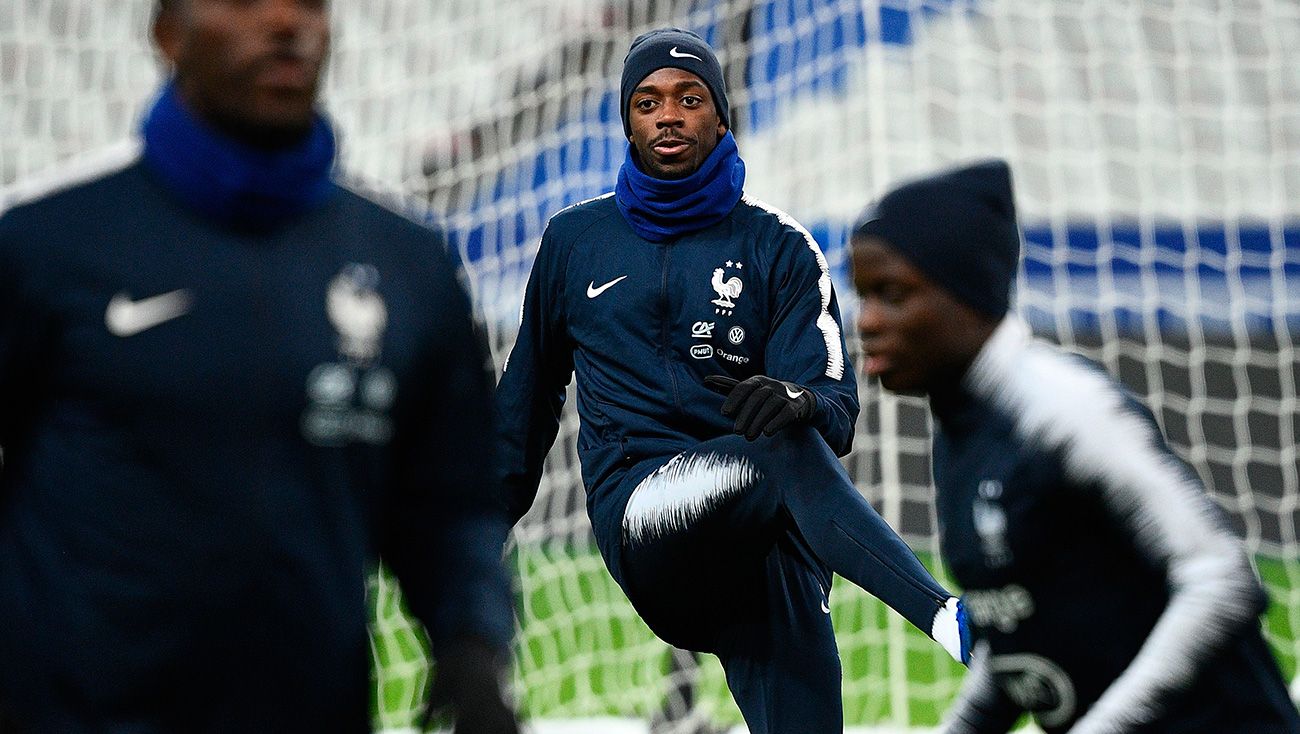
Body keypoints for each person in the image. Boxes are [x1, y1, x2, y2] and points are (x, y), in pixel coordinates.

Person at [0, 1, 517, 732]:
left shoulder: (406, 265)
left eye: (309, 2)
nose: (286, 22)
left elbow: (450, 503)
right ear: (166, 33)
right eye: (244, 0)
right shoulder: (45, 249)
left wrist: (471, 642)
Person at [496, 27, 969, 734]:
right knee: (777, 452)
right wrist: (461, 551)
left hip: (762, 545)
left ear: (721, 115)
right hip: (648, 519)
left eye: (689, 98)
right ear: (628, 119)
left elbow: (834, 408)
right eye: (648, 101)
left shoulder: (779, 246)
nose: (668, 116)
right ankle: (949, 619)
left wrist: (800, 397)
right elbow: (526, 408)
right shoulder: (574, 241)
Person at [850, 159, 1300, 733]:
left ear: (966, 293)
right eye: (863, 295)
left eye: (891, 293)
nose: (866, 320)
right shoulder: (962, 427)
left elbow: (1219, 578)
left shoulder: (1064, 408)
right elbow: (1017, 638)